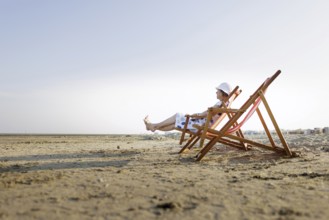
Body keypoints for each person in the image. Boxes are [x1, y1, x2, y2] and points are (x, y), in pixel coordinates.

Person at [144, 82, 232, 132]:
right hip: (203, 124)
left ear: (223, 93)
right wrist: (196, 115)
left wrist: (194, 115)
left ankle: (153, 126)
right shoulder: (224, 104)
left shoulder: (220, 105)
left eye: (218, 91)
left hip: (201, 125)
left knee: (177, 116)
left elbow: (206, 114)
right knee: (175, 124)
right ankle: (153, 126)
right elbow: (208, 114)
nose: (216, 93)